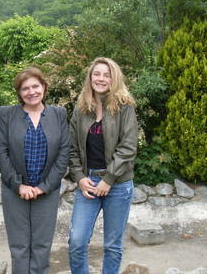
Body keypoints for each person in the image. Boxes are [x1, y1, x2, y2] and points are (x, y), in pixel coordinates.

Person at [0, 67, 70, 274]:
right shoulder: (6, 115)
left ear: (44, 87)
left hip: (47, 191)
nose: (31, 92)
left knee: (42, 246)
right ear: (19, 93)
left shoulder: (58, 114)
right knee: (19, 246)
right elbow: (0, 151)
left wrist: (44, 187)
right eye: (25, 88)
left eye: (35, 86)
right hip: (14, 190)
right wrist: (19, 185)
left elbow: (64, 153)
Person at [68, 57, 138, 274]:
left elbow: (128, 147)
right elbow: (71, 148)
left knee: (112, 245)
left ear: (114, 78)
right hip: (88, 183)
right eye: (96, 74)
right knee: (77, 241)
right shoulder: (81, 110)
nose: (101, 79)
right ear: (90, 78)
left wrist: (108, 180)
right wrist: (79, 177)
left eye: (106, 75)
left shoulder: (125, 108)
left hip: (117, 185)